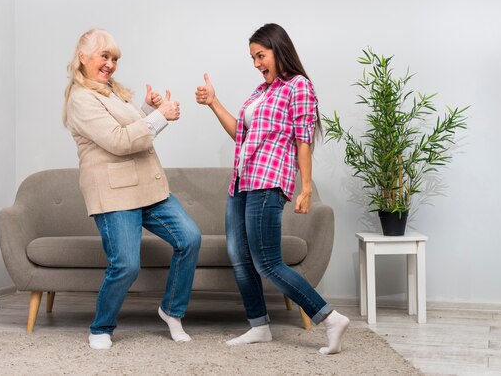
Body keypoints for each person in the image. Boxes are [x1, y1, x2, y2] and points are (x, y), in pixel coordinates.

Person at [195, 23, 349, 354]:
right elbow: (242, 135)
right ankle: (258, 326)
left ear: (279, 51)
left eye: (260, 55)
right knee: (239, 256)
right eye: (252, 57)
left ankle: (330, 317)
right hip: (242, 181)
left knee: (267, 261)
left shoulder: (299, 86)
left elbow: (303, 138)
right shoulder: (260, 92)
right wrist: (214, 102)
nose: (256, 63)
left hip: (269, 181)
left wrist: (305, 187)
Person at [63, 28, 201, 350]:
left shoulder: (111, 91)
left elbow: (131, 127)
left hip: (148, 187)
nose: (110, 64)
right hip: (115, 194)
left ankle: (171, 310)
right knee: (126, 264)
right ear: (83, 58)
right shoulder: (81, 99)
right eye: (104, 56)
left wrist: (149, 109)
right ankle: (101, 327)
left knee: (190, 238)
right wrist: (159, 118)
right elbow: (119, 140)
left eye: (114, 58)